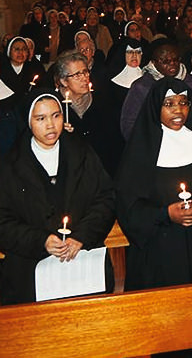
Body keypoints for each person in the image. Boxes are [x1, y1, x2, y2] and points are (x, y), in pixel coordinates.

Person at [116, 77, 192, 291]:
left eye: (183, 103)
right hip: (158, 253)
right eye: (169, 104)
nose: (178, 111)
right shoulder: (139, 153)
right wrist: (165, 214)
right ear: (155, 106)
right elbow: (129, 206)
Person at [0, 90, 115, 304]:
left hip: (83, 264)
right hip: (30, 271)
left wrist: (81, 236)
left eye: (56, 115)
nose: (51, 125)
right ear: (28, 121)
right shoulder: (10, 166)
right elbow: (3, 223)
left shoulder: (82, 152)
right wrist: (41, 240)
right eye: (41, 118)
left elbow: (106, 199)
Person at [120, 40, 192, 139]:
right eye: (165, 61)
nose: (172, 64)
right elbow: (129, 124)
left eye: (175, 60)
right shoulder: (141, 87)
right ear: (153, 62)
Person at [55, 50, 124, 177]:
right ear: (64, 81)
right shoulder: (55, 108)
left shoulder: (103, 103)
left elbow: (116, 146)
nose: (84, 78)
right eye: (77, 75)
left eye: (85, 72)